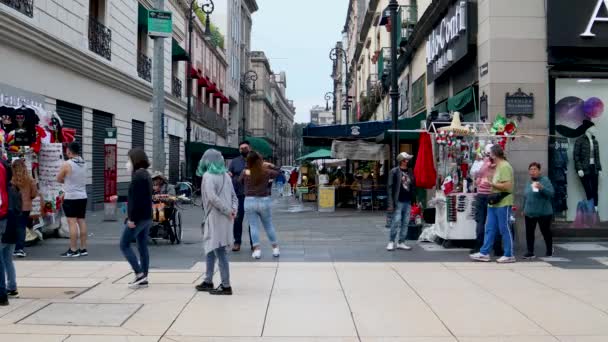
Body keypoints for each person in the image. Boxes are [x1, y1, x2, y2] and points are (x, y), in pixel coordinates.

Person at [195, 149, 238, 295]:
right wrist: (233, 211)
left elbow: (212, 197)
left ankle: (226, 285)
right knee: (210, 248)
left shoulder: (208, 176)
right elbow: (234, 196)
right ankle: (208, 280)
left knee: (219, 250)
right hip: (226, 218)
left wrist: (227, 210)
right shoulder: (226, 176)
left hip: (215, 216)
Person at [470, 144, 515, 263]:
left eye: (489, 154)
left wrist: (491, 184)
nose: (488, 156)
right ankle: (484, 252)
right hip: (494, 202)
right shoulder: (497, 166)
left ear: (494, 154)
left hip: (503, 202)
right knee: (489, 228)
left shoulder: (505, 166)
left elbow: (507, 186)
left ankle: (509, 254)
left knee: (504, 228)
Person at [120, 148, 153, 289]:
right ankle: (143, 277)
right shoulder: (145, 174)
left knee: (124, 244)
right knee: (142, 247)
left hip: (138, 217)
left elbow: (136, 200)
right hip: (146, 216)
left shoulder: (138, 176)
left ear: (135, 160)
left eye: (128, 160)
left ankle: (139, 274)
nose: (127, 163)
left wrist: (131, 219)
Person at [241, 151, 280, 259]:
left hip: (249, 201)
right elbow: (279, 172)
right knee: (268, 225)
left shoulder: (246, 172)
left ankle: (257, 250)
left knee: (253, 226)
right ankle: (275, 249)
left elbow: (239, 181)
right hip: (264, 200)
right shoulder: (266, 171)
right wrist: (271, 165)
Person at [57, 142, 88, 258]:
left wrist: (66, 182)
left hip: (70, 196)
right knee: (81, 221)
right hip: (83, 196)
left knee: (72, 222)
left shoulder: (67, 164)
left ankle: (73, 249)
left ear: (69, 151)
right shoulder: (84, 163)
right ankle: (83, 248)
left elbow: (59, 178)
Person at [470, 145, 503, 255]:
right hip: (493, 195)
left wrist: (480, 179)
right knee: (495, 222)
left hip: (482, 195)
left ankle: (479, 247)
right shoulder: (500, 164)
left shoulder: (484, 163)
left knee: (481, 222)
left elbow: (476, 175)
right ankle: (497, 248)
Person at [523, 162, 555, 259]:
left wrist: (542, 188)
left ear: (539, 171)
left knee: (545, 232)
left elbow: (551, 193)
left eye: (535, 169)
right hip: (530, 212)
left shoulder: (545, 180)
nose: (532, 171)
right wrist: (524, 208)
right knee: (529, 233)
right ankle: (530, 252)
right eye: (531, 169)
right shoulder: (528, 182)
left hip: (543, 213)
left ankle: (549, 250)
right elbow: (526, 196)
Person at [386, 152, 415, 251]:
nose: (407, 161)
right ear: (402, 160)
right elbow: (389, 188)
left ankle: (401, 242)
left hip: (408, 200)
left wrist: (413, 198)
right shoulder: (394, 171)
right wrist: (390, 203)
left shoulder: (410, 171)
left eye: (408, 159)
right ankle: (391, 241)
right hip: (398, 201)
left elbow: (412, 186)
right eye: (406, 159)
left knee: (405, 222)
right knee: (396, 221)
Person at [11, 159, 37, 258]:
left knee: (14, 226)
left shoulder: (12, 180)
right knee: (22, 227)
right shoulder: (30, 179)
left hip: (14, 206)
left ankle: (12, 247)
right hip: (26, 207)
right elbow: (34, 193)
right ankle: (19, 248)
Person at [228, 141, 251, 252]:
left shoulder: (255, 161)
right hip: (239, 195)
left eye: (245, 148)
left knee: (252, 220)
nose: (243, 150)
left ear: (249, 148)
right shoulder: (235, 161)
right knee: (237, 219)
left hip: (252, 195)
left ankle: (254, 243)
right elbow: (229, 174)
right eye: (241, 148)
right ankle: (237, 242)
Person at [0, 160, 14, 305]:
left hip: (1, 213)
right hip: (4, 214)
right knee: (5, 256)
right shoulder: (4, 165)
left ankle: (2, 293)